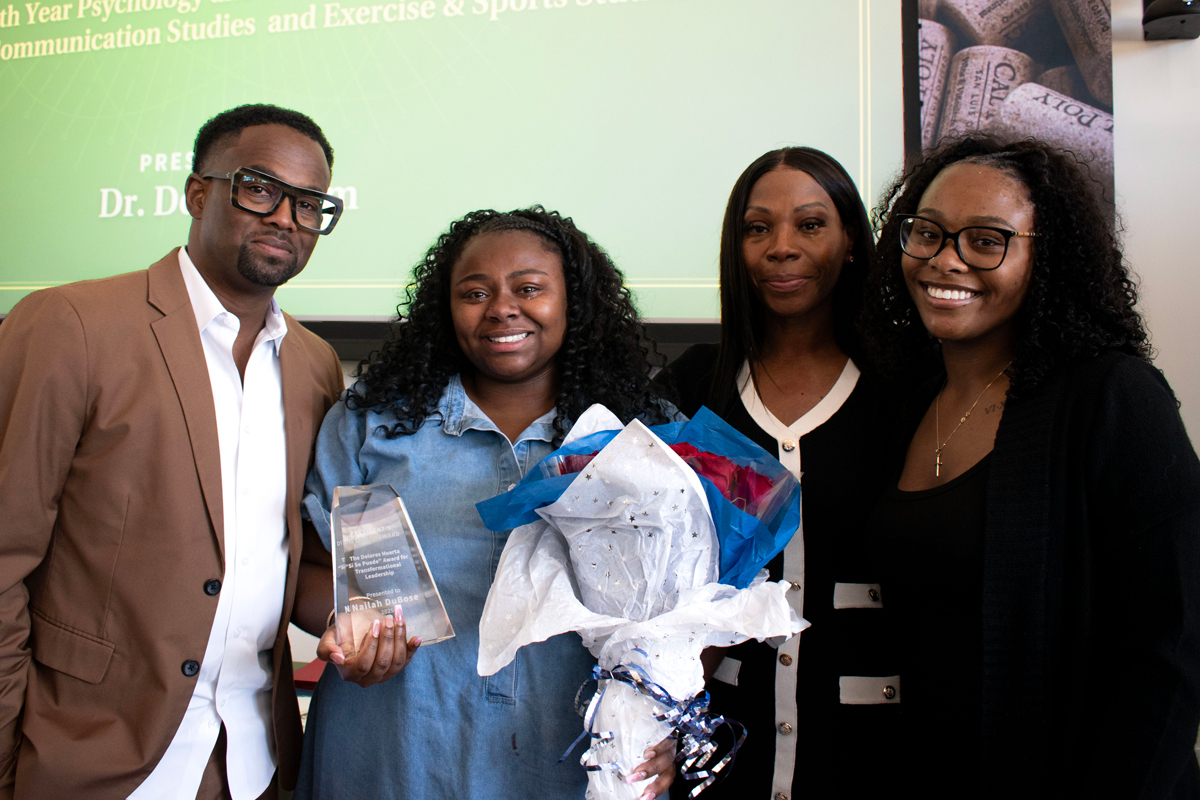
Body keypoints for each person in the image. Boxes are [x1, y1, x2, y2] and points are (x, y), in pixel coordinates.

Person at [0, 103, 351, 799]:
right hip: (89, 757)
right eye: (260, 189)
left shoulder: (315, 365)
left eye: (310, 204)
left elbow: (296, 559)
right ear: (198, 193)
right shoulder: (69, 325)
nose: (286, 217)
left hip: (256, 761)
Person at [296, 207, 680, 800]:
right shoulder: (373, 425)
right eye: (474, 293)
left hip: (572, 751)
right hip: (394, 747)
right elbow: (311, 571)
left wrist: (667, 712)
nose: (502, 308)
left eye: (529, 289)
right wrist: (346, 629)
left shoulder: (640, 438)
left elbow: (686, 606)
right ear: (444, 310)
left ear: (574, 302)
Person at [860, 135, 1200, 798]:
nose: (944, 261)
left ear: (1049, 259)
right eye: (926, 233)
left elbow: (1175, 647)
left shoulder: (1113, 398)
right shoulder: (907, 397)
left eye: (986, 241)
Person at [659, 147, 901, 800]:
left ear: (851, 240)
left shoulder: (905, 388)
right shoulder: (694, 385)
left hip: (872, 753)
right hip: (723, 753)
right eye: (757, 228)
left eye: (811, 224)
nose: (781, 248)